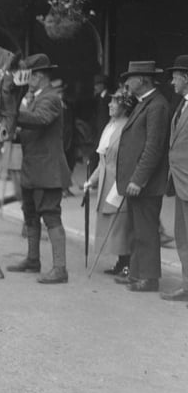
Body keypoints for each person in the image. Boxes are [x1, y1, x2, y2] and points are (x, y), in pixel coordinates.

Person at [6, 54, 71, 284]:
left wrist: (11, 114)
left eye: (29, 76)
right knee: (30, 215)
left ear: (40, 77)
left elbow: (40, 120)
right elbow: (31, 126)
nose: (26, 81)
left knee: (51, 217)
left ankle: (60, 269)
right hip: (34, 169)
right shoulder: (37, 98)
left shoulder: (51, 98)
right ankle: (33, 260)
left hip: (47, 170)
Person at [114, 61, 171, 292]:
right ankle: (137, 273)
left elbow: (153, 148)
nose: (127, 83)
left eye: (131, 78)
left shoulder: (157, 105)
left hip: (145, 183)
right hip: (137, 181)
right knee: (138, 229)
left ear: (143, 79)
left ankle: (148, 278)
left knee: (146, 230)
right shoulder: (145, 103)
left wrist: (138, 179)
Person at [83, 89, 136, 276]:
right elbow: (103, 160)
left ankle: (128, 262)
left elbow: (126, 158)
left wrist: (123, 181)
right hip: (106, 181)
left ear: (124, 107)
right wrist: (92, 180)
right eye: (111, 101)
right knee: (113, 222)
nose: (109, 104)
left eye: (114, 102)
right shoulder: (110, 125)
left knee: (122, 223)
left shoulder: (126, 127)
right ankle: (121, 262)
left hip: (118, 181)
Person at [162, 55, 188, 302]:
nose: (172, 82)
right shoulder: (182, 105)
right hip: (181, 182)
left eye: (175, 77)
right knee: (182, 235)